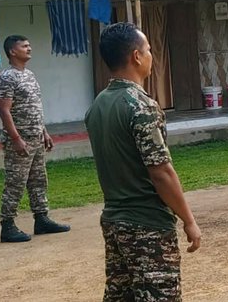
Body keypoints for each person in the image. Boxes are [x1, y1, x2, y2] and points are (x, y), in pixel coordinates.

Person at [86, 22, 201, 300]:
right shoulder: (141, 105)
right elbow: (161, 171)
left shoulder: (98, 105)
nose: (152, 55)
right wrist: (188, 220)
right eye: (148, 49)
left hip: (114, 222)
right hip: (146, 226)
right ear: (136, 56)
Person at [0, 35, 69, 243]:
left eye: (29, 44)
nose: (29, 48)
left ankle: (42, 219)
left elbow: (35, 108)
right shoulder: (7, 77)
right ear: (12, 51)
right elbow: (4, 111)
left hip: (36, 137)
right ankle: (7, 225)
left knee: (38, 180)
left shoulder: (29, 74)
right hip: (19, 141)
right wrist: (16, 138)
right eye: (24, 46)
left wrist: (44, 132)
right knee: (16, 183)